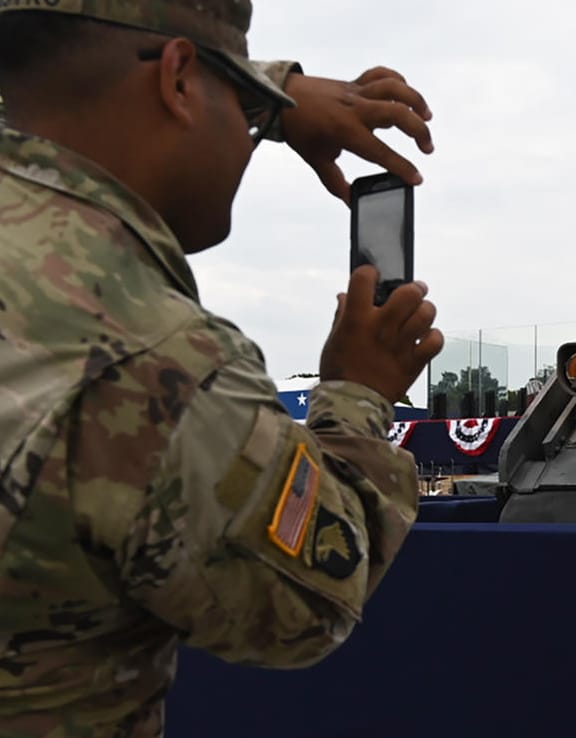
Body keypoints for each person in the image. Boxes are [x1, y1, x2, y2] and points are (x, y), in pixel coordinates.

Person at [0, 3, 444, 735]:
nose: (247, 137)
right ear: (177, 80)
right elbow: (309, 602)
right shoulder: (150, 360)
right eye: (240, 113)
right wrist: (358, 395)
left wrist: (269, 96)